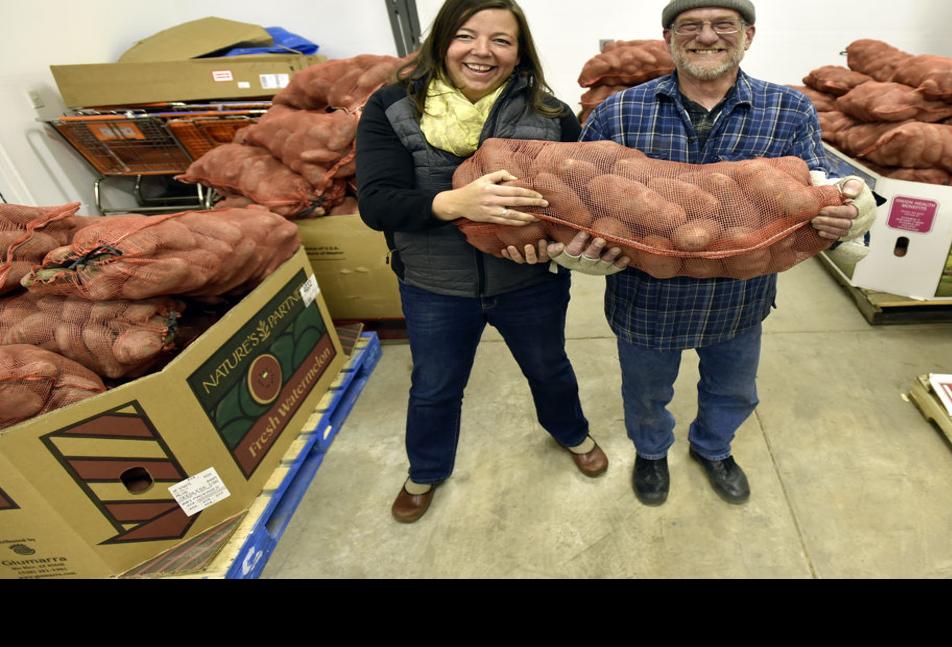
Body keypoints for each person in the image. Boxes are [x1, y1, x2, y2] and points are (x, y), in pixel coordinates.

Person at [570, 0, 878, 506]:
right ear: (669, 38)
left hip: (741, 293)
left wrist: (844, 210)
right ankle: (651, 451)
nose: (706, 36)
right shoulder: (619, 111)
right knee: (645, 392)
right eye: (690, 26)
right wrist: (577, 245)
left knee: (734, 388)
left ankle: (713, 448)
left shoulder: (788, 109)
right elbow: (581, 193)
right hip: (646, 295)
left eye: (723, 25)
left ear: (748, 35)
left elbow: (818, 180)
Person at [355, 0, 614, 524]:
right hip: (434, 285)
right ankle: (425, 470)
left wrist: (560, 248)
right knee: (435, 385)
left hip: (528, 281)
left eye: (501, 40)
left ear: (519, 52)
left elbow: (574, 204)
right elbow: (377, 203)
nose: (482, 51)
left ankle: (571, 432)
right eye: (466, 36)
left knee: (548, 368)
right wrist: (456, 203)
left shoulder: (550, 115)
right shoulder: (393, 106)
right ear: (442, 41)